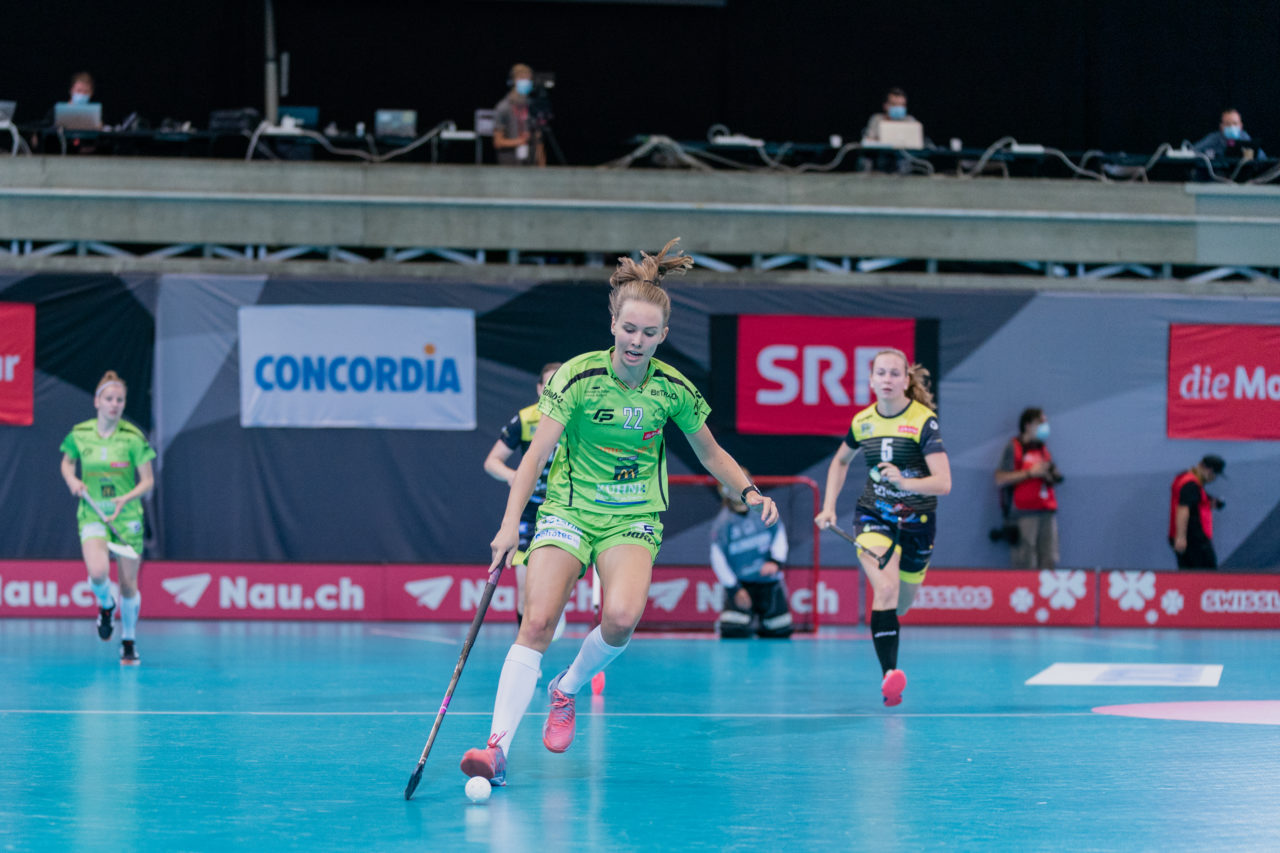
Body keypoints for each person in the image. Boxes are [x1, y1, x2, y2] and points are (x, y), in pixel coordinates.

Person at [460, 238, 777, 786]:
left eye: (649, 333)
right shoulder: (578, 377)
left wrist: (749, 491)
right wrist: (510, 524)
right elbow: (535, 454)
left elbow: (709, 451)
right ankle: (497, 748)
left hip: (632, 517)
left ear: (663, 336)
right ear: (613, 324)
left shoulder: (672, 388)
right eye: (629, 329)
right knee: (536, 621)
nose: (637, 341)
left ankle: (566, 688)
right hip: (568, 508)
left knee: (622, 619)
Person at [815, 349, 950, 707]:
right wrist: (829, 507)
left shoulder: (924, 421)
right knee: (885, 588)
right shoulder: (863, 422)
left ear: (906, 380)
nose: (887, 379)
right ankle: (890, 676)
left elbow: (943, 482)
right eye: (881, 373)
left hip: (918, 525)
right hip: (874, 518)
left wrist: (907, 484)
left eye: (895, 373)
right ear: (871, 380)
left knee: (901, 602)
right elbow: (839, 463)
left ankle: (890, 656)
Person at [58, 371, 155, 664]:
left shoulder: (133, 438)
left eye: (120, 400)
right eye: (109, 399)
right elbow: (66, 463)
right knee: (99, 573)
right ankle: (105, 605)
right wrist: (73, 481)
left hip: (125, 517)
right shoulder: (79, 434)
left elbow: (148, 480)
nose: (114, 404)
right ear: (97, 402)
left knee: (128, 585)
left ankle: (128, 640)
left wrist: (127, 497)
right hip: (93, 513)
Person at [482, 361, 567, 637]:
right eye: (549, 385)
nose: (555, 390)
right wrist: (513, 476)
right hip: (530, 515)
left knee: (554, 582)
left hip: (568, 511)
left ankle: (554, 607)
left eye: (562, 384)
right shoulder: (526, 419)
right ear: (540, 389)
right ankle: (528, 647)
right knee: (524, 594)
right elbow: (492, 461)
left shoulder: (580, 419)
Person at [710, 471, 792, 639]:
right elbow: (718, 559)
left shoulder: (764, 510)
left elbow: (779, 535)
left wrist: (775, 561)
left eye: (741, 481)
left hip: (769, 582)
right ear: (723, 490)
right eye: (730, 484)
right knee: (733, 630)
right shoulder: (722, 525)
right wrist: (734, 589)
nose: (736, 488)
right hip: (741, 586)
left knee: (780, 630)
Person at [993, 407, 1063, 569]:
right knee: (1025, 562)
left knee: (1048, 559)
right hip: (1023, 514)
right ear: (1028, 424)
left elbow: (1054, 476)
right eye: (1041, 422)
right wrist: (1030, 473)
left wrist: (1049, 475)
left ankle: (1045, 594)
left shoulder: (1042, 449)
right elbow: (1000, 479)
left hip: (1046, 512)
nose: (1046, 426)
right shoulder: (1014, 447)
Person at [1169, 454, 1226, 570]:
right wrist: (1181, 537)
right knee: (1206, 573)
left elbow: (1195, 502)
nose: (1213, 479)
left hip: (1191, 537)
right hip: (1194, 538)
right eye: (1214, 475)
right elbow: (1183, 509)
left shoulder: (1185, 478)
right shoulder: (1190, 484)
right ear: (1209, 470)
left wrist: (1211, 502)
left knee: (1189, 573)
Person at [859, 86, 923, 174]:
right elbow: (869, 140)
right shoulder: (877, 119)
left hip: (902, 157)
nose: (898, 108)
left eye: (901, 105)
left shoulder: (910, 120)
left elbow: (916, 142)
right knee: (865, 159)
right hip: (880, 156)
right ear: (885, 106)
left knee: (903, 161)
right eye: (894, 104)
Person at [492, 63, 545, 167]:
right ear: (514, 81)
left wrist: (542, 166)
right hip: (509, 162)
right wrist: (519, 141)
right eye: (522, 78)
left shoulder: (532, 106)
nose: (526, 82)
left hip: (531, 163)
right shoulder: (503, 107)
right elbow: (497, 142)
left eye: (528, 79)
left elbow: (539, 141)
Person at [1193, 109, 1263, 162]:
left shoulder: (1245, 138)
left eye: (1235, 123)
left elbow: (1262, 157)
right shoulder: (1213, 138)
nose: (1232, 127)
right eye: (1227, 124)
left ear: (1241, 126)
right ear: (1221, 126)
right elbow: (1192, 152)